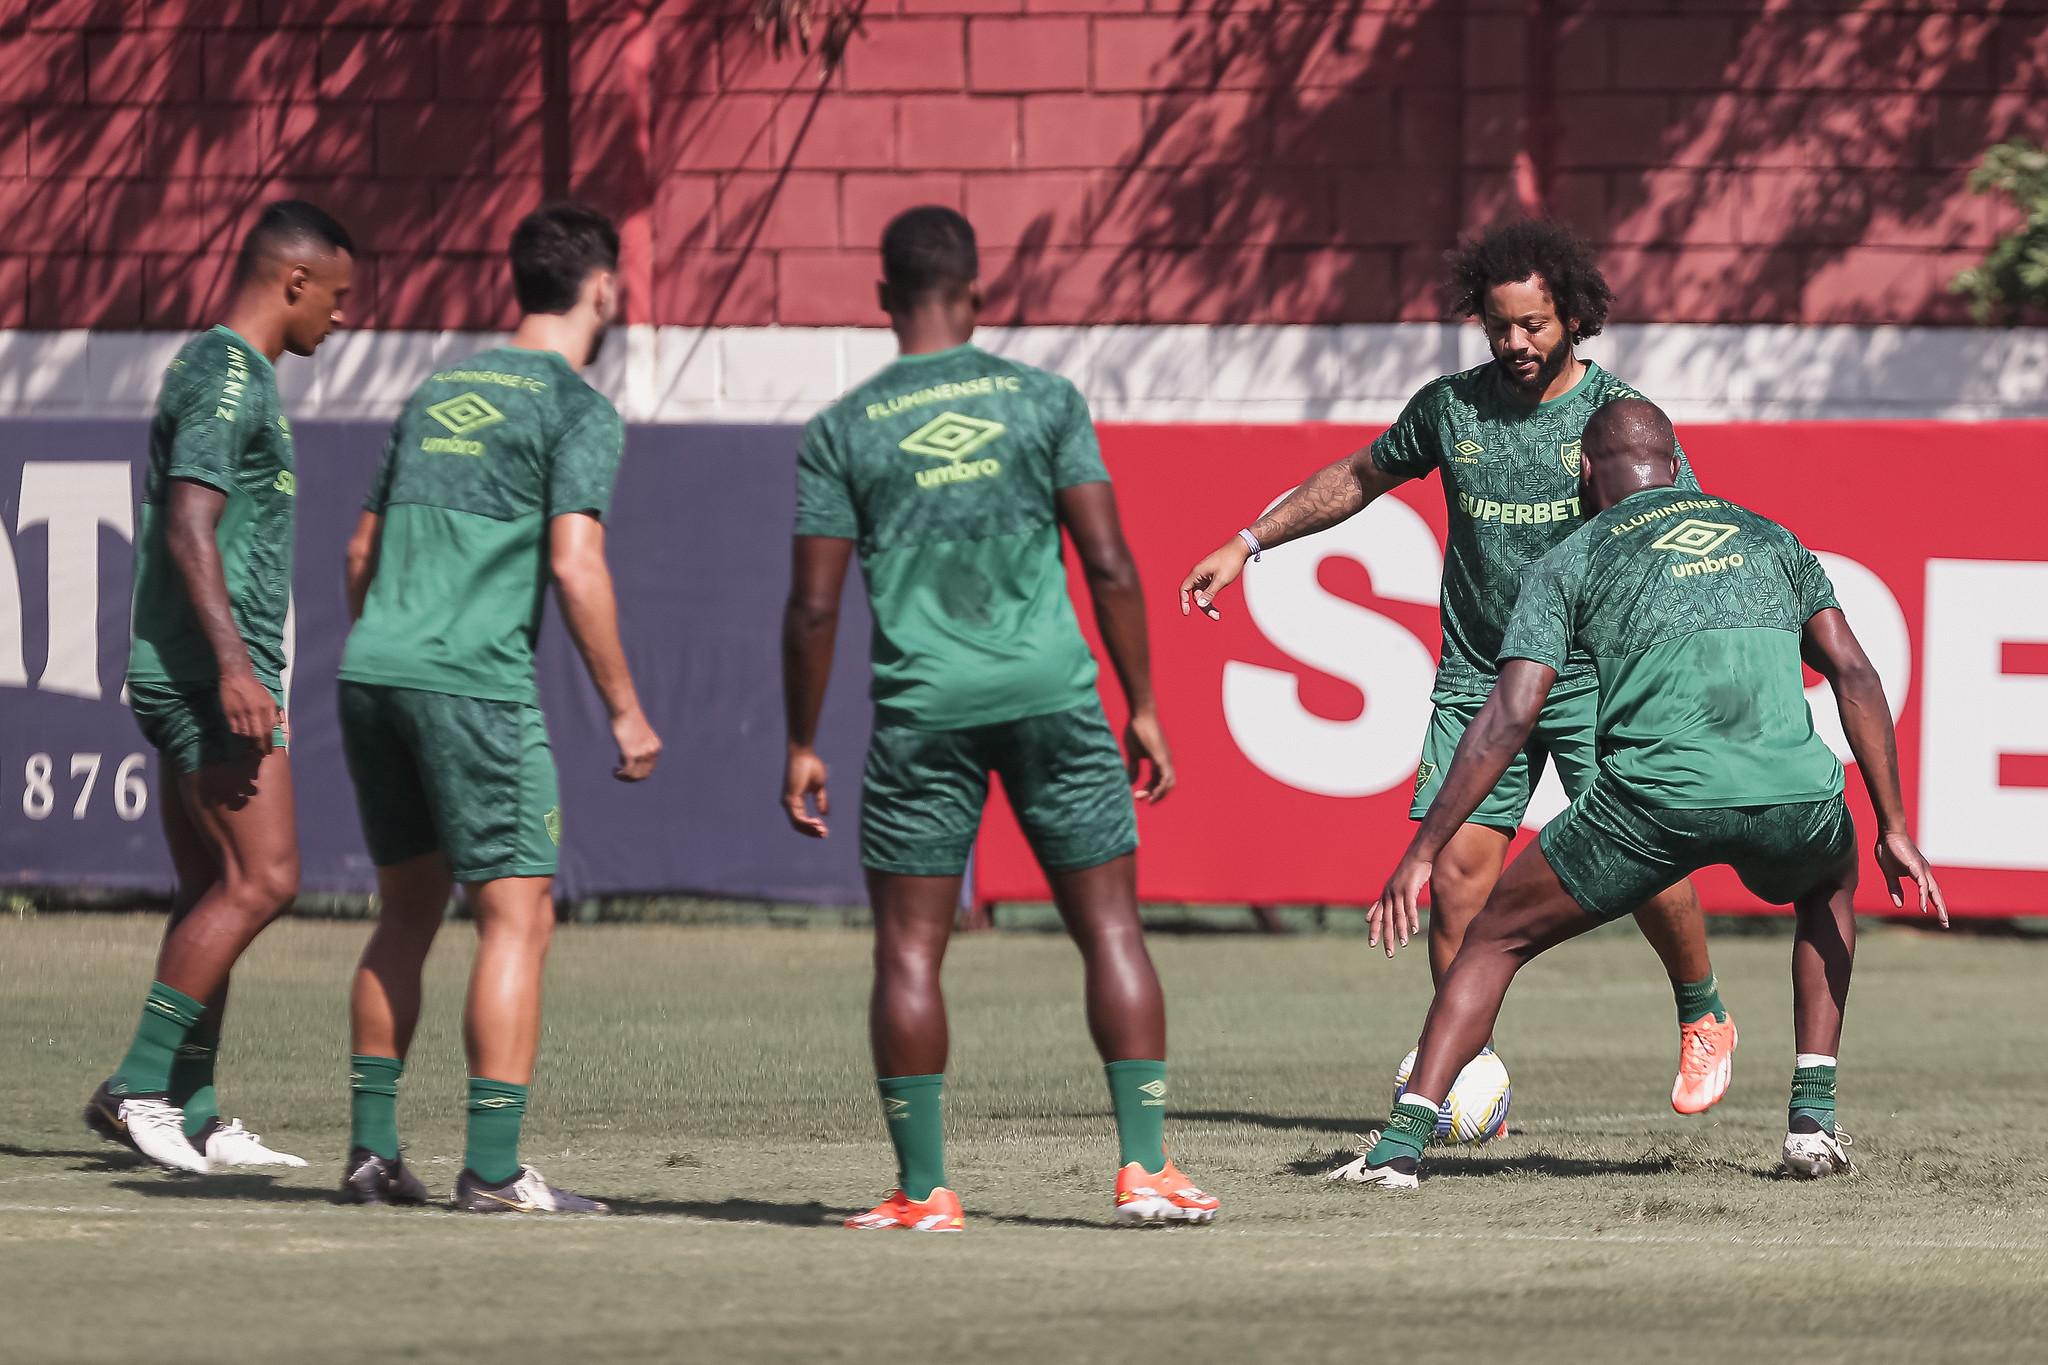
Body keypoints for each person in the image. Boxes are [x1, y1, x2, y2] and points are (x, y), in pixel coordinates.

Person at [1179, 219, 1738, 1115]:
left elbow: (1674, 537)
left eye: (1534, 325)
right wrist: (1250, 539)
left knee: (1642, 855)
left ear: (1575, 319)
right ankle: (1469, 1071)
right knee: (1456, 881)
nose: (1515, 342)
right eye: (1499, 324)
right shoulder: (1451, 407)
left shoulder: (1619, 418)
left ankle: (1701, 1011)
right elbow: (1358, 477)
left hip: (1594, 678)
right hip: (1482, 678)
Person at [1334, 398, 1946, 1189]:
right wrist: (1894, 824)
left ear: (1584, 472)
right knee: (1828, 883)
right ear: (1676, 459)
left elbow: (1511, 714)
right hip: (1793, 794)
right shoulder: (1774, 538)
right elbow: (1855, 675)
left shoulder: (1571, 556)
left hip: (1654, 805)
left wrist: (1421, 852)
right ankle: (1812, 1120)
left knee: (1491, 939)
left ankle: (1400, 1146)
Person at [781, 206, 1217, 1231]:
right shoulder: (1044, 402)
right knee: (1109, 927)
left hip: (921, 716)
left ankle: (924, 1190)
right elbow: (1107, 564)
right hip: (1054, 698)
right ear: (976, 295)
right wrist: (1143, 704)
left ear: (883, 299)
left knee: (908, 956)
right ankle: (1145, 1168)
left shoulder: (841, 429)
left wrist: (801, 739)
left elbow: (811, 606)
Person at [335, 203, 661, 1212]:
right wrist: (625, 711)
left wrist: (394, 635)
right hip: (470, 686)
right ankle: (491, 1169)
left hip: (371, 668)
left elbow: (358, 554)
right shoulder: (575, 408)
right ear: (600, 286)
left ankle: (371, 1153)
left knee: (406, 912)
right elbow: (574, 562)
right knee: (517, 917)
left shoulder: (435, 390)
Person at [88, 201, 355, 1174]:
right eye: (339, 295)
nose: (343, 316)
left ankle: (192, 1108)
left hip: (200, 670)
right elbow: (188, 526)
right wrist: (239, 668)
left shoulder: (242, 378)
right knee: (267, 878)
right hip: (209, 676)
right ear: (294, 282)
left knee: (213, 888)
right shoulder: (224, 374)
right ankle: (137, 1084)